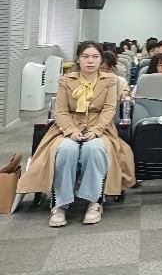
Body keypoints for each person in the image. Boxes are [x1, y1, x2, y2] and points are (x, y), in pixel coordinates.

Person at [17, 42, 135, 227]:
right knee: (66, 150)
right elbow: (61, 110)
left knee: (95, 149)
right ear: (78, 59)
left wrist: (96, 131)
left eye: (95, 57)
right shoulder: (66, 80)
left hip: (100, 128)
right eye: (85, 56)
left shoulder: (110, 80)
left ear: (100, 60)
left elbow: (109, 109)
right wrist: (71, 131)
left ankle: (94, 201)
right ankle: (60, 204)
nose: (90, 61)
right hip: (67, 127)